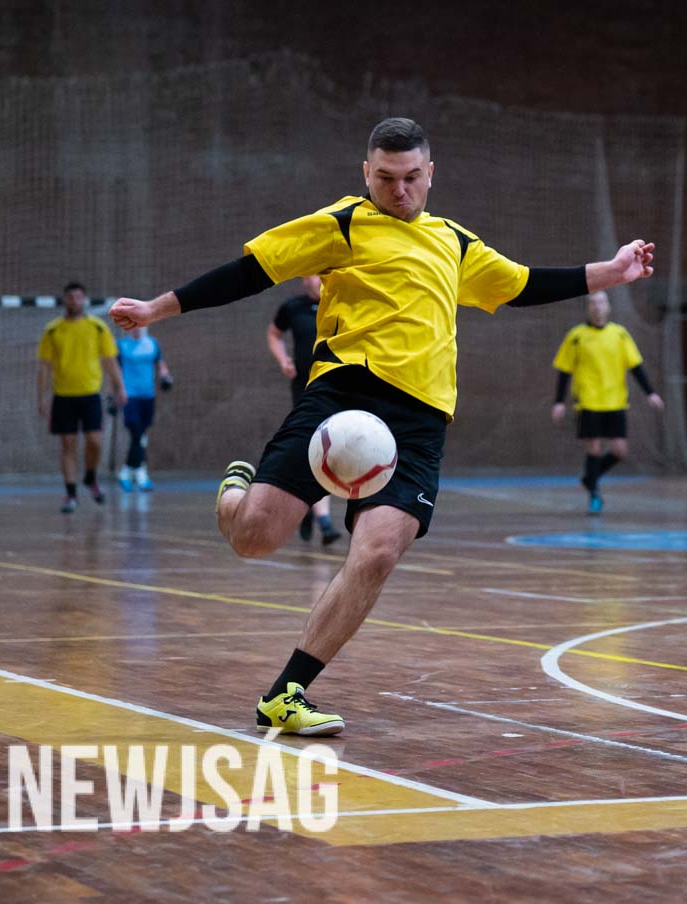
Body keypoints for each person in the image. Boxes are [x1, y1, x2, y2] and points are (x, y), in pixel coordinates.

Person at [110, 117, 655, 736]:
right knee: (254, 538)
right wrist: (156, 308)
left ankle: (286, 693)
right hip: (342, 396)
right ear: (366, 173)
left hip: (419, 420)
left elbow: (522, 283)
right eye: (386, 178)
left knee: (377, 553)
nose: (400, 190)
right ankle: (235, 493)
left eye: (412, 177)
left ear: (431, 174)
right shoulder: (343, 223)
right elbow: (251, 270)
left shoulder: (455, 243)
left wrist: (613, 271)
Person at [550, 290, 665, 512]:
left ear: (608, 307)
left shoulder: (619, 334)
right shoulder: (576, 336)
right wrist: (559, 402)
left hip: (615, 401)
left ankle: (590, 478)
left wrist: (650, 393)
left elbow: (636, 366)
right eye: (593, 303)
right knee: (593, 448)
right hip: (588, 401)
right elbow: (564, 370)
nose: (597, 307)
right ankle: (594, 496)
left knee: (620, 450)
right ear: (588, 308)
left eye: (601, 302)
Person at [37, 282, 126, 514]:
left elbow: (109, 360)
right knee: (67, 444)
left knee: (95, 441)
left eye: (78, 297)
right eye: (70, 297)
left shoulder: (97, 327)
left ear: (84, 300)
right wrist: (42, 397)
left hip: (90, 394)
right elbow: (45, 367)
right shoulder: (52, 330)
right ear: (64, 300)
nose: (74, 301)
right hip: (63, 396)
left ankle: (90, 476)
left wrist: (120, 387)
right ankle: (70, 494)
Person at [269, 276, 341, 545]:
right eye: (315, 274)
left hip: (335, 387)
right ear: (305, 278)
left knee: (329, 448)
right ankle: (320, 516)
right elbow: (274, 334)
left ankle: (318, 514)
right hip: (305, 390)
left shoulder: (339, 303)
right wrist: (283, 360)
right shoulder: (293, 307)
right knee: (315, 447)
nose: (319, 279)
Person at [113, 326, 174, 492]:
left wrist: (165, 376)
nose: (137, 328)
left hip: (148, 395)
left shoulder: (152, 344)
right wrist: (116, 393)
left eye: (139, 325)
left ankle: (127, 471)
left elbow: (161, 365)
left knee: (141, 435)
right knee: (136, 432)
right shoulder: (122, 345)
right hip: (129, 395)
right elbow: (115, 370)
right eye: (133, 325)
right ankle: (140, 474)